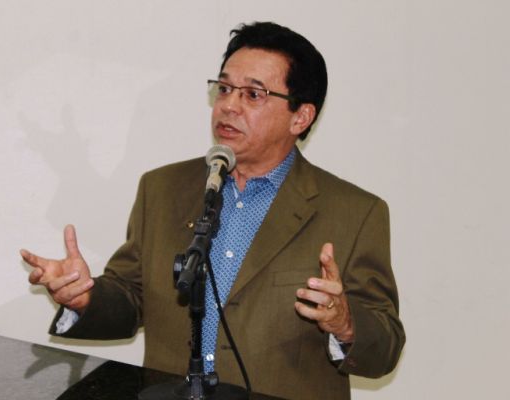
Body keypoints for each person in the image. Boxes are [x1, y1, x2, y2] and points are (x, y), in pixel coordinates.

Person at [21, 22, 405, 400]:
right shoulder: (162, 189)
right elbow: (132, 296)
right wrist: (85, 298)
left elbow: (385, 347)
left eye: (252, 94)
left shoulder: (354, 212)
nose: (228, 106)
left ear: (300, 116)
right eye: (223, 89)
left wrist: (346, 323)